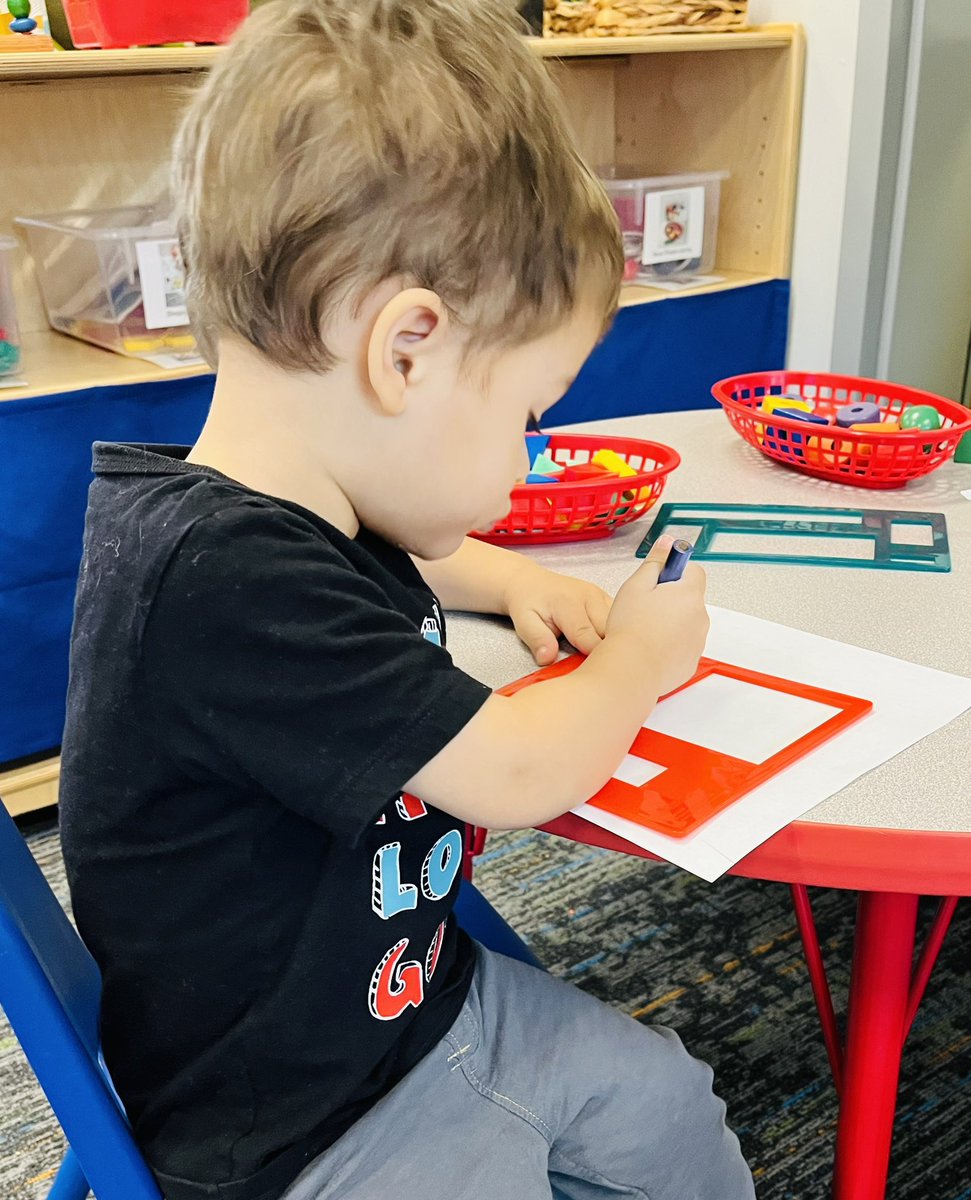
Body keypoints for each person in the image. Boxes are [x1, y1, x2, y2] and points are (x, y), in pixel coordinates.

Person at [58, 2, 754, 1198]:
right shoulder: (226, 582)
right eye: (526, 414)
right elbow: (519, 776)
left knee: (668, 1108)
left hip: (410, 1001)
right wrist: (636, 655)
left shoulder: (278, 506)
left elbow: (411, 560)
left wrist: (517, 577)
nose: (527, 458)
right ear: (406, 349)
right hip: (295, 1125)